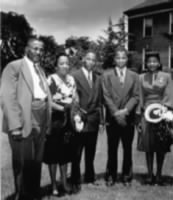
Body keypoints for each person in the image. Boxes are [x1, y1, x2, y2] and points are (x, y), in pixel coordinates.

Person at [0, 36, 52, 200]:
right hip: (24, 119)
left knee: (36, 161)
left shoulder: (40, 70)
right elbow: (7, 97)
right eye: (35, 48)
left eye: (41, 49)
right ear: (27, 49)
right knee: (22, 162)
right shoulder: (14, 66)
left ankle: (34, 193)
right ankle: (21, 195)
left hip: (41, 119)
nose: (39, 52)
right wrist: (15, 126)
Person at [102, 46, 139, 186]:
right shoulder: (106, 75)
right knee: (112, 148)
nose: (121, 60)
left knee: (127, 148)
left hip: (127, 118)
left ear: (127, 59)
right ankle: (111, 175)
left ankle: (127, 176)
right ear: (114, 60)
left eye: (123, 57)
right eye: (118, 57)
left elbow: (136, 96)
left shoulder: (134, 76)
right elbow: (106, 96)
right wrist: (115, 112)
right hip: (112, 118)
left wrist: (125, 111)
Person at [43, 53, 79, 196]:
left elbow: (75, 98)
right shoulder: (51, 79)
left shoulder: (71, 79)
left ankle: (64, 183)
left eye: (67, 63)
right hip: (55, 121)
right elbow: (48, 102)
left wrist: (74, 110)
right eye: (61, 63)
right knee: (53, 155)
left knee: (65, 154)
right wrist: (64, 108)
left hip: (68, 121)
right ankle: (53, 186)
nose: (65, 66)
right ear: (56, 66)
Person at [136, 52, 173, 185]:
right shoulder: (141, 78)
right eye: (149, 61)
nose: (152, 64)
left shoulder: (166, 76)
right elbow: (140, 96)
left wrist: (165, 110)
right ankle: (150, 174)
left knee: (161, 145)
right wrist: (139, 116)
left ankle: (159, 175)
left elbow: (169, 94)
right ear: (146, 64)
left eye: (154, 61)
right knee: (148, 145)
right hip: (146, 114)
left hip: (162, 114)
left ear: (159, 63)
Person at [71, 51, 103, 193]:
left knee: (91, 151)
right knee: (77, 152)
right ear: (83, 59)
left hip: (94, 120)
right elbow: (72, 98)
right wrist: (78, 114)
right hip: (80, 119)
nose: (91, 61)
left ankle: (90, 177)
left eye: (93, 60)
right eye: (88, 59)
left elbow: (100, 102)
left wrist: (102, 121)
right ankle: (75, 179)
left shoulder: (97, 78)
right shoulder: (75, 76)